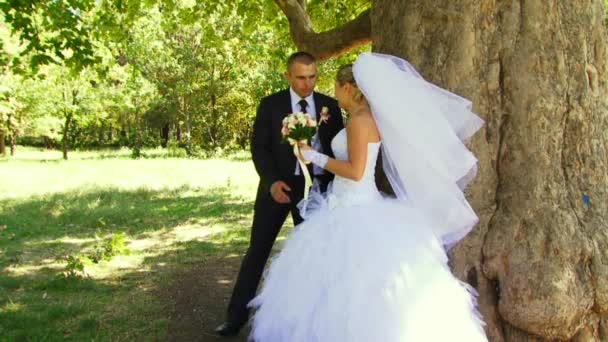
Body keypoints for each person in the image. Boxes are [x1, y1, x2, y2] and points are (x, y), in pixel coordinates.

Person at [247, 52, 488, 341]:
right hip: (345, 204)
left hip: (356, 207)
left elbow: (356, 171)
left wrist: (315, 157)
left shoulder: (360, 122)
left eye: (336, 87)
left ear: (348, 88)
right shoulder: (361, 118)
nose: (334, 94)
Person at [215, 51, 344, 337]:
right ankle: (235, 318)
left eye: (312, 77)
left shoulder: (330, 106)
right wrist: (272, 182)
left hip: (317, 195)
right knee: (257, 252)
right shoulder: (270, 105)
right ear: (287, 75)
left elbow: (338, 149)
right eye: (300, 77)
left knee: (315, 256)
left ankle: (312, 322)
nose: (307, 84)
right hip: (277, 191)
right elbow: (259, 148)